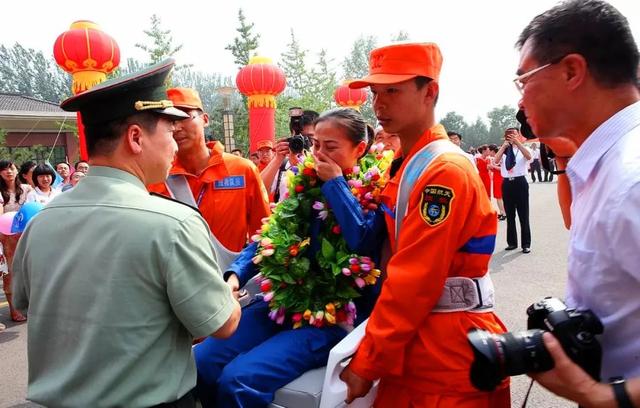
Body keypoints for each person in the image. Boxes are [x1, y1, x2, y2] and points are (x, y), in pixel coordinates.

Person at [11, 59, 241, 408]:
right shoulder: (172, 224)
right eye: (168, 132)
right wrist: (228, 293)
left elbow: (26, 301)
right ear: (136, 137)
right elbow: (220, 325)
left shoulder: (42, 221)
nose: (175, 145)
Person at [340, 42, 510, 407]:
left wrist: (366, 363)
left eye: (392, 91)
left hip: (447, 354)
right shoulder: (404, 163)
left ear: (429, 91)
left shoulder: (443, 172)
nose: (379, 103)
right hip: (413, 343)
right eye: (374, 93)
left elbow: (414, 279)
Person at [193, 108, 386, 408]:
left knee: (238, 381)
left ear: (359, 149)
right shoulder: (302, 184)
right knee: (201, 362)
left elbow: (362, 242)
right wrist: (234, 275)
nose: (320, 154)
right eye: (316, 145)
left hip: (330, 315)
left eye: (331, 147)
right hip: (283, 301)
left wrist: (336, 184)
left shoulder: (375, 193)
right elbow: (271, 237)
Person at [515, 0, 640, 406]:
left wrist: (604, 396)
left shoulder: (631, 180)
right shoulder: (605, 166)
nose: (519, 101)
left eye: (524, 80)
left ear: (571, 71)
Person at [148, 87, 270, 271]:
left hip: (231, 286)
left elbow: (263, 235)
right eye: (169, 121)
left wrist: (240, 275)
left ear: (205, 119)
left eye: (185, 116)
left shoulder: (242, 170)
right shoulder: (155, 178)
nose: (177, 127)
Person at [260, 109, 319, 203]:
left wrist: (302, 167)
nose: (303, 142)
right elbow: (259, 190)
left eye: (309, 138)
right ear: (291, 137)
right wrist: (277, 159)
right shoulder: (283, 165)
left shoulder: (323, 163)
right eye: (299, 137)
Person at [0, 160, 32, 322]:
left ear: (17, 169)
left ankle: (30, 306)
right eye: (4, 170)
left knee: (29, 271)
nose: (8, 172)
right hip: (7, 239)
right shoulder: (0, 192)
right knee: (11, 274)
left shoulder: (27, 189)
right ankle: (14, 309)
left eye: (11, 168)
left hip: (27, 235)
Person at [493, 127, 532, 253]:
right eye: (509, 135)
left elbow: (529, 156)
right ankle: (512, 243)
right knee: (510, 215)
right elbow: (496, 161)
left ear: (519, 135)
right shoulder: (504, 150)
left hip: (520, 182)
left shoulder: (523, 149)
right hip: (507, 184)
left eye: (514, 134)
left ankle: (525, 244)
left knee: (523, 214)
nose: (512, 137)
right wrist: (504, 147)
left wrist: (518, 143)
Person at [488, 144, 506, 220]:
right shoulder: (494, 158)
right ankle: (501, 212)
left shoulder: (500, 157)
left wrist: (493, 167)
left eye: (489, 151)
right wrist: (491, 168)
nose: (488, 152)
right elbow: (495, 169)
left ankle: (504, 213)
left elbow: (503, 168)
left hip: (500, 178)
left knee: (499, 197)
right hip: (496, 178)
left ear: (492, 151)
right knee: (498, 197)